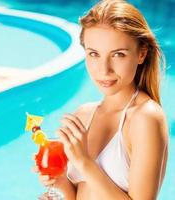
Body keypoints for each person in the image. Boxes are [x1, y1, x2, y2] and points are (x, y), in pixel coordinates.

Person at [33, 0, 169, 199]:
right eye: (94, 54)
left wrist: (84, 163)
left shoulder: (145, 117)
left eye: (118, 55)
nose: (104, 70)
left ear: (141, 53)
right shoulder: (83, 114)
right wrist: (62, 182)